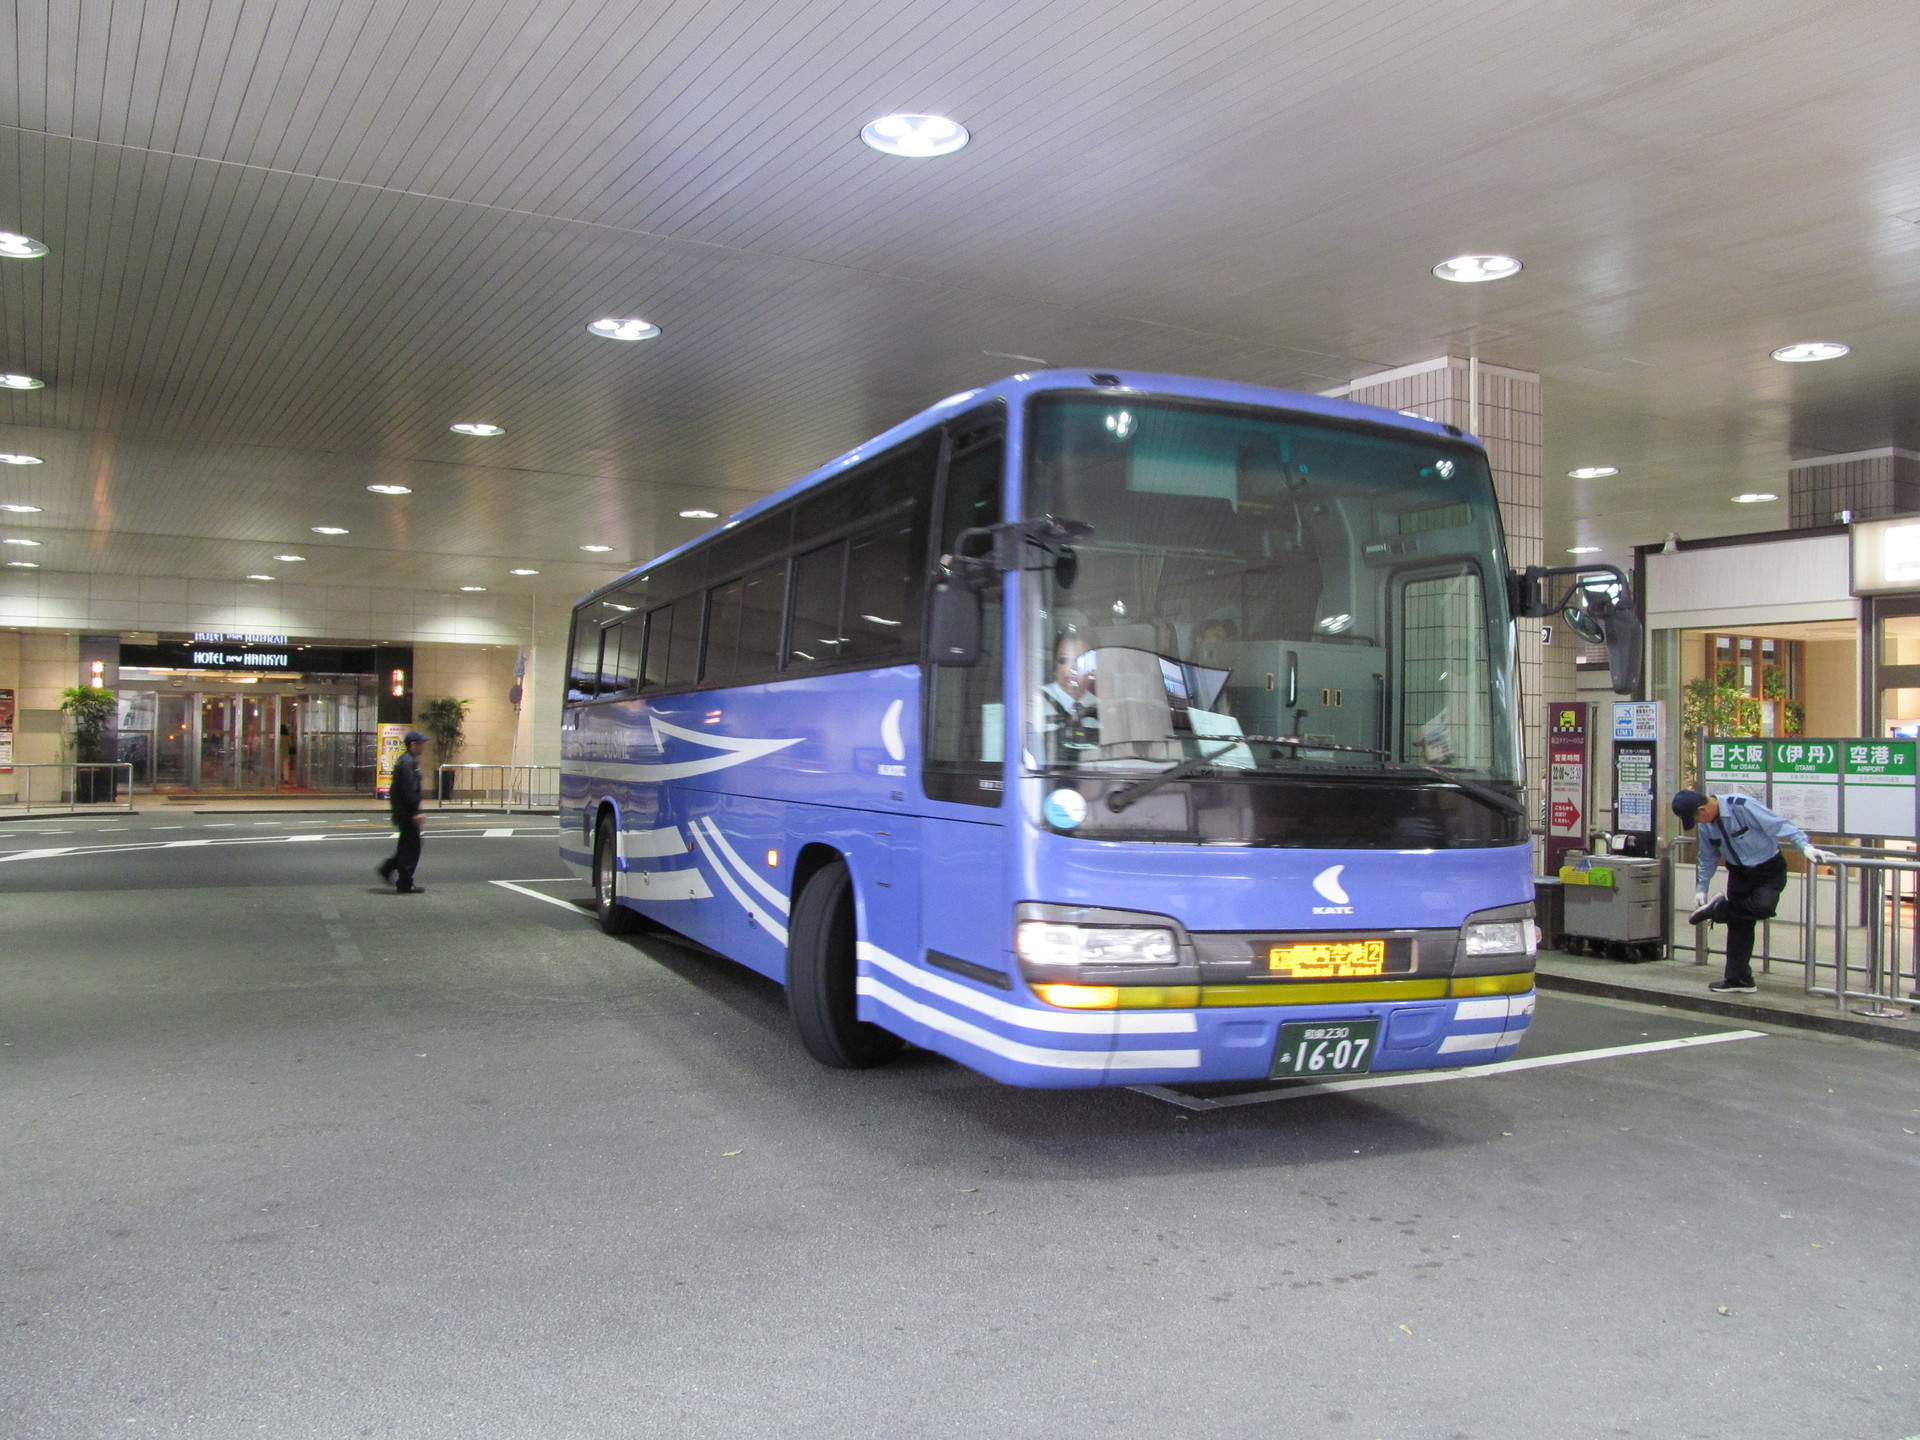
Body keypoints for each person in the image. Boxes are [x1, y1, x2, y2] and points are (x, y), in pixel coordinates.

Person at [1673, 788, 1829, 994]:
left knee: (1763, 908)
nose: (1698, 824)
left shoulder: (1742, 806)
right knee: (1739, 924)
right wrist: (1701, 888)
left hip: (1768, 868)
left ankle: (1719, 909)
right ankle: (1739, 979)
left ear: (1702, 810)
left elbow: (1777, 824)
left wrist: (1804, 846)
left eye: (1695, 819)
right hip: (1738, 872)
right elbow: (1708, 856)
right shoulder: (1707, 826)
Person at [377, 731, 428, 894]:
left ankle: (388, 868)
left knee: (407, 845)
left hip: (402, 811)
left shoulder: (407, 761)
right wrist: (416, 811)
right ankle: (405, 881)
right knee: (412, 846)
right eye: (421, 743)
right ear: (413, 744)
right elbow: (408, 790)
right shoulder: (407, 763)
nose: (423, 746)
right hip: (407, 811)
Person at [1040, 631, 1100, 754]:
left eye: (1080, 661)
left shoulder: (1102, 710)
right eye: (1063, 660)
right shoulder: (1035, 702)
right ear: (1054, 666)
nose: (1071, 668)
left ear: (1093, 668)